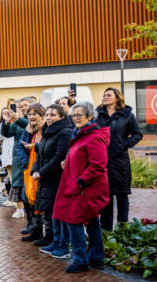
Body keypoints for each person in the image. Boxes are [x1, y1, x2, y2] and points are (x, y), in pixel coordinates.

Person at [53, 101, 110, 273]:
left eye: (79, 114)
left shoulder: (93, 137)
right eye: (74, 115)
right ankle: (96, 258)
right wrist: (67, 162)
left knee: (74, 221)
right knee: (92, 223)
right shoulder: (80, 134)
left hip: (84, 189)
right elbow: (81, 158)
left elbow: (98, 165)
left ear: (90, 116)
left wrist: (80, 182)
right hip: (79, 187)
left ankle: (80, 260)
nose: (76, 118)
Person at [94, 87, 143, 231]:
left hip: (120, 161)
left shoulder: (127, 115)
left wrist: (124, 144)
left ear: (117, 98)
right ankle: (106, 231)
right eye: (104, 95)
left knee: (122, 196)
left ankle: (122, 230)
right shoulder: (98, 115)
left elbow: (137, 134)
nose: (105, 97)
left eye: (108, 95)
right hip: (102, 160)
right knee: (105, 197)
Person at [34, 104, 74, 257]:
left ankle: (63, 244)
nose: (49, 118)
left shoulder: (65, 132)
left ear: (62, 117)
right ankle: (56, 242)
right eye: (47, 115)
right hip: (46, 177)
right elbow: (41, 154)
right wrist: (35, 170)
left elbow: (59, 157)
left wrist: (41, 173)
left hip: (57, 177)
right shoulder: (47, 131)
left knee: (59, 212)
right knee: (52, 211)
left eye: (53, 115)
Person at [17, 103, 46, 244]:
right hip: (28, 169)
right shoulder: (28, 129)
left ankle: (41, 231)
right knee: (27, 199)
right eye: (30, 114)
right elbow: (20, 146)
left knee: (38, 200)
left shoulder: (45, 129)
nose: (32, 116)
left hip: (40, 170)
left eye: (35, 114)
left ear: (42, 115)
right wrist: (25, 162)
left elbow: (47, 148)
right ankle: (34, 228)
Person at [1, 97, 32, 220]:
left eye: (25, 105)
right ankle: (20, 208)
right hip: (18, 155)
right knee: (18, 182)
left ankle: (31, 214)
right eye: (21, 106)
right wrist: (6, 122)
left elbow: (29, 126)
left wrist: (17, 119)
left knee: (29, 184)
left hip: (30, 153)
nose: (23, 108)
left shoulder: (33, 119)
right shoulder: (18, 121)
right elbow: (7, 133)